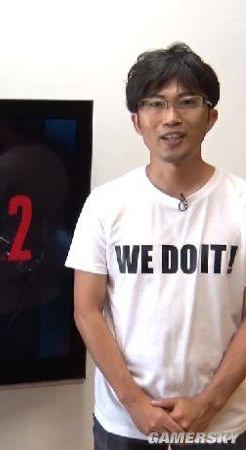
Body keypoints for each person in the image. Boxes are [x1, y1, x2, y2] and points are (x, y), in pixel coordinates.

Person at [66, 43, 246, 449]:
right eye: (155, 103)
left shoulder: (240, 203)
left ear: (211, 116)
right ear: (137, 121)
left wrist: (208, 404)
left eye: (188, 102)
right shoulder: (105, 204)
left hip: (222, 426)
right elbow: (87, 310)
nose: (171, 117)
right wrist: (135, 404)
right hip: (126, 425)